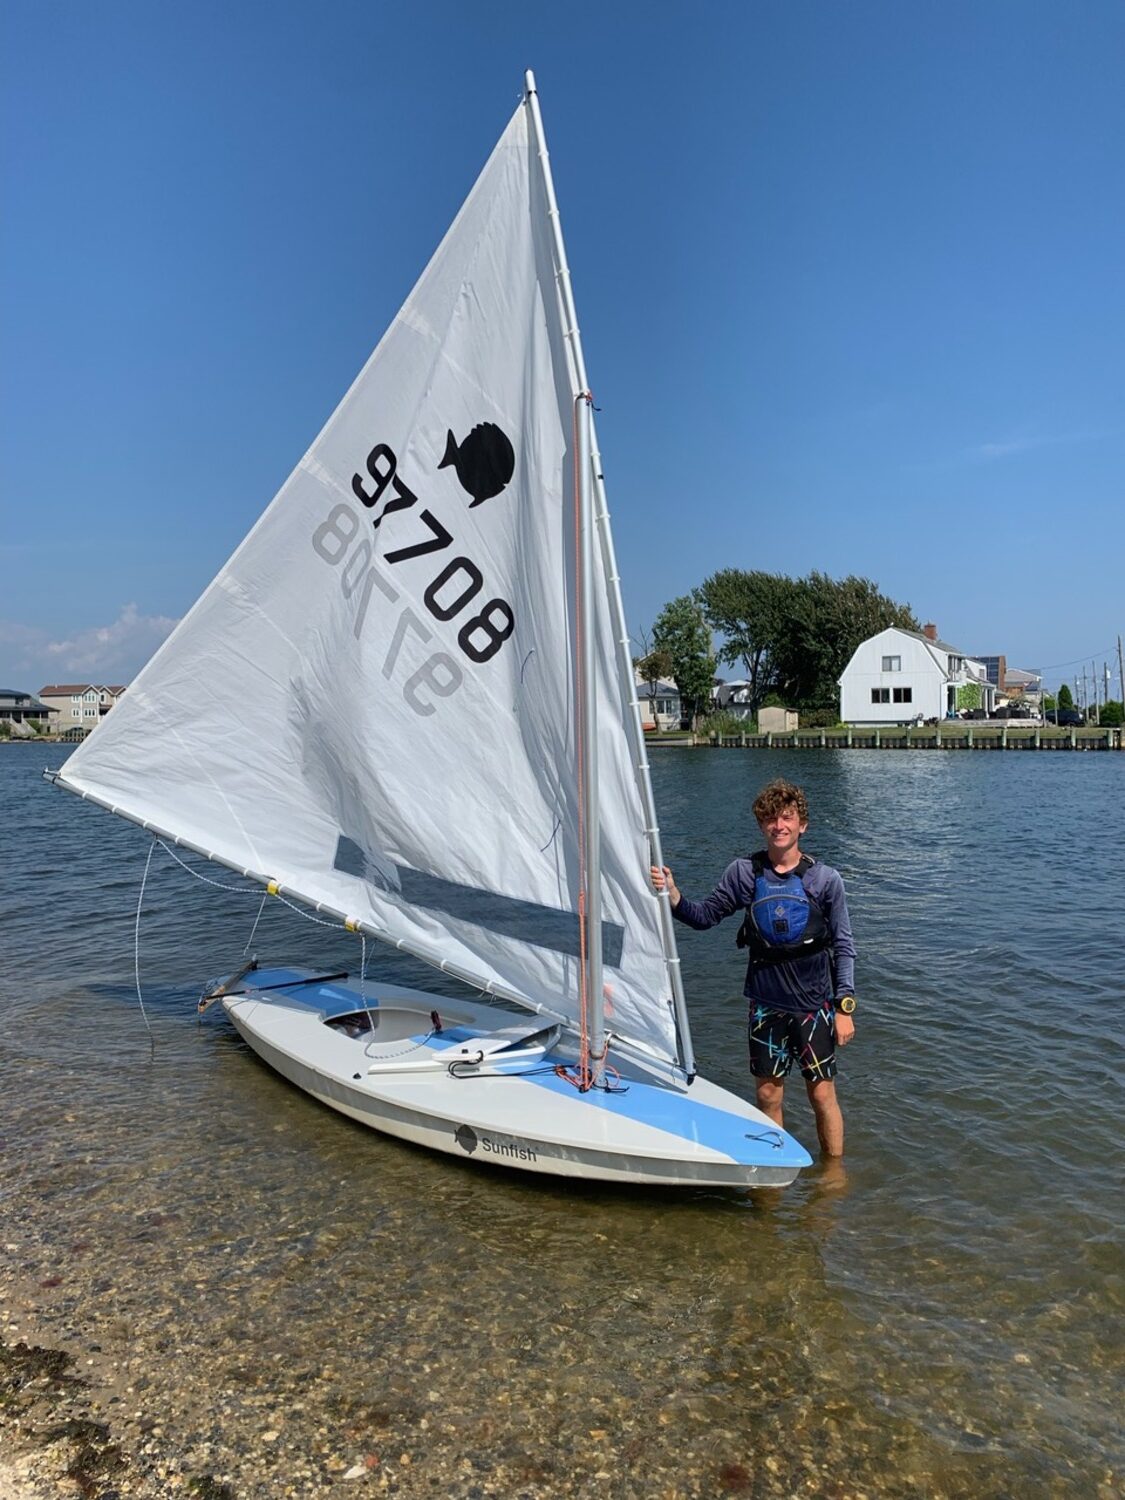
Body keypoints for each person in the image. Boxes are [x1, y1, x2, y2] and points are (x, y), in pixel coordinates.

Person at [651, 778, 856, 1157]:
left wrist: (844, 1007)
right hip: (765, 1004)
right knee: (767, 1094)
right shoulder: (744, 873)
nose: (779, 825)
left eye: (787, 818)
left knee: (822, 1093)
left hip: (814, 1007)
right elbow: (705, 916)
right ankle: (776, 1164)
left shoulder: (825, 880)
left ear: (802, 825)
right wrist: (674, 894)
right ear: (762, 826)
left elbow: (843, 946)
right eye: (770, 819)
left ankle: (833, 1174)